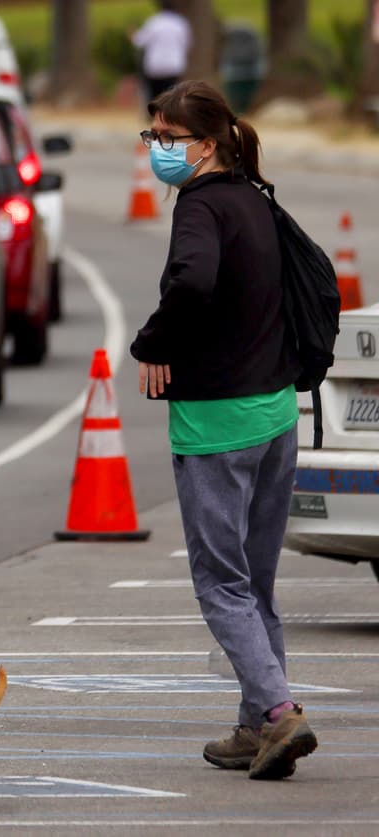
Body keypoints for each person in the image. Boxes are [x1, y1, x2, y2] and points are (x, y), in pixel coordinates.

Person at [130, 80, 318, 780]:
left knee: (220, 584)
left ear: (206, 144)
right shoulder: (255, 200)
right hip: (275, 415)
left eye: (169, 139)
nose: (157, 149)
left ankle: (277, 711)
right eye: (152, 136)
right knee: (256, 585)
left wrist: (151, 343)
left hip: (217, 423)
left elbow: (194, 281)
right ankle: (253, 727)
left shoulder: (201, 207)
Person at [131, 0, 192, 101]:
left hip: (155, 66)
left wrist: (132, 35)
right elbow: (187, 43)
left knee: (156, 96)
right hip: (174, 65)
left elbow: (140, 41)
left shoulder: (154, 22)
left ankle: (156, 115)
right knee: (171, 96)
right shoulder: (180, 23)